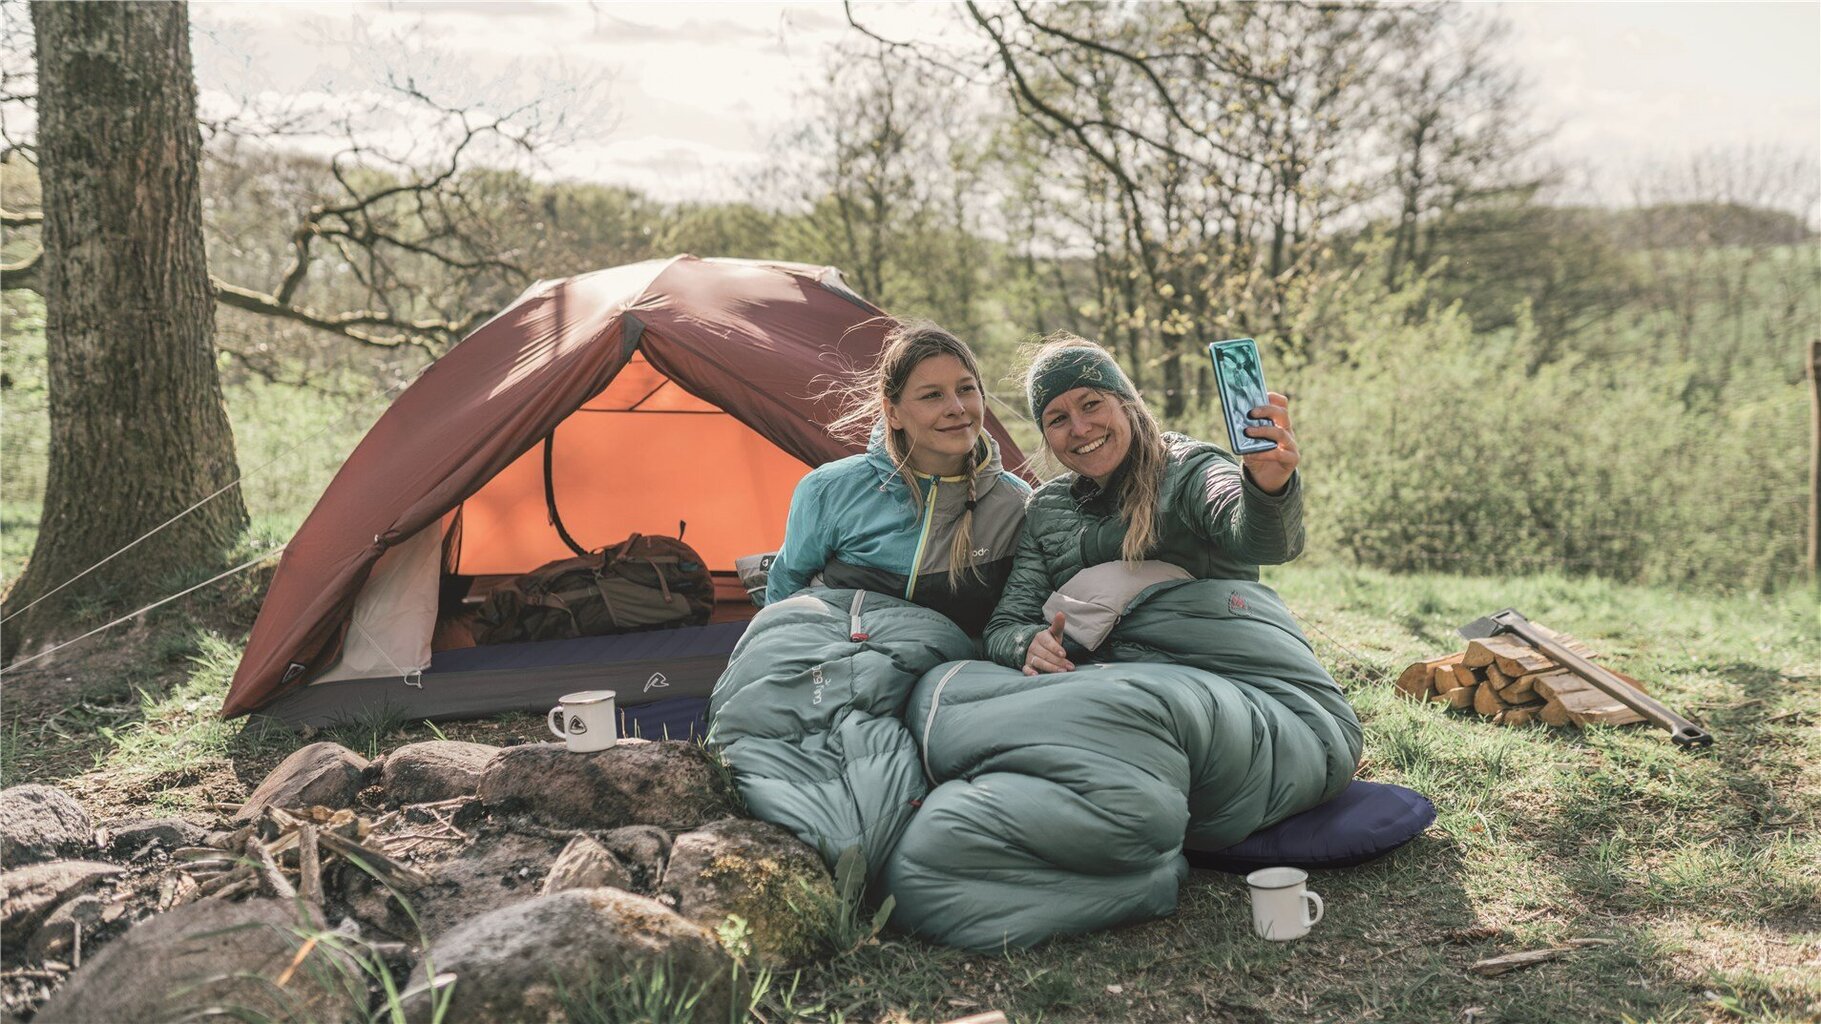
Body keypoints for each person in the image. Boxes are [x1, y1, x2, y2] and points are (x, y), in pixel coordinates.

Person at [983, 333, 1304, 673]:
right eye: (1057, 419)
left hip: (1213, 667)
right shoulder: (1046, 509)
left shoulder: (1189, 469)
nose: (1079, 428)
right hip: (1104, 678)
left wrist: (1266, 487)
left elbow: (1266, 546)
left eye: (1091, 404)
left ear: (1127, 403)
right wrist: (1028, 643)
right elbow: (1006, 625)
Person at [765, 319, 1030, 635]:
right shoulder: (830, 490)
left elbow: (1019, 615)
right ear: (893, 413)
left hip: (954, 676)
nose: (957, 407)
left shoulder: (1014, 504)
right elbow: (785, 593)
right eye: (932, 395)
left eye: (965, 389)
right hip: (840, 665)